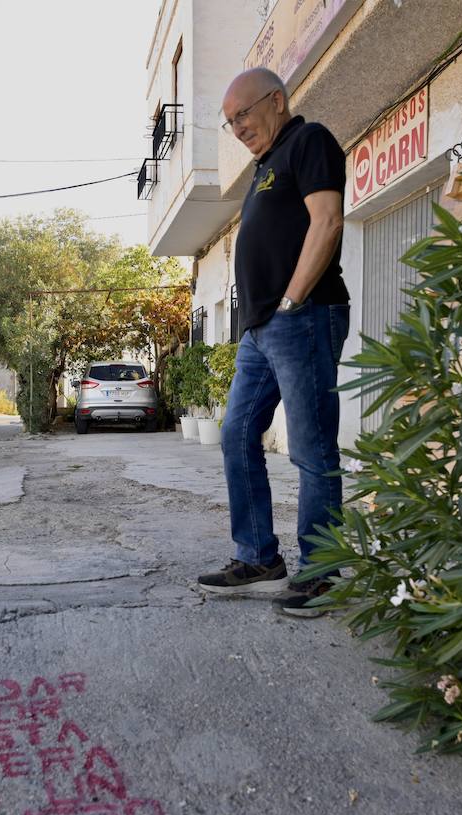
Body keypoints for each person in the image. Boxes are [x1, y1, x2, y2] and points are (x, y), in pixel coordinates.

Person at [196, 67, 350, 614]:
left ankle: (324, 572)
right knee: (236, 434)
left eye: (243, 113)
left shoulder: (309, 141)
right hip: (261, 330)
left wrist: (291, 300)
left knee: (312, 450)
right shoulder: (266, 165)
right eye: (229, 120)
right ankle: (259, 555)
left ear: (277, 101)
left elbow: (326, 222)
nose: (237, 126)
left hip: (301, 317)